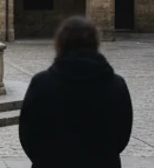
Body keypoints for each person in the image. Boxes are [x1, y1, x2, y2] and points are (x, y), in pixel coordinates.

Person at [18, 16, 133, 168]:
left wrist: (44, 158)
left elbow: (28, 133)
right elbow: (122, 133)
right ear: (95, 43)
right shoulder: (116, 84)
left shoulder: (42, 83)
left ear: (60, 43)